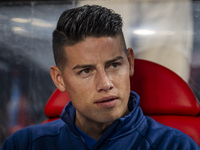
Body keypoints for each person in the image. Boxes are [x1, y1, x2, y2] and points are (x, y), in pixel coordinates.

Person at [1, 5, 199, 150]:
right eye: (86, 71)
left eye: (114, 65)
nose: (106, 84)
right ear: (59, 79)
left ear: (130, 62)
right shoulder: (23, 145)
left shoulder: (176, 146)